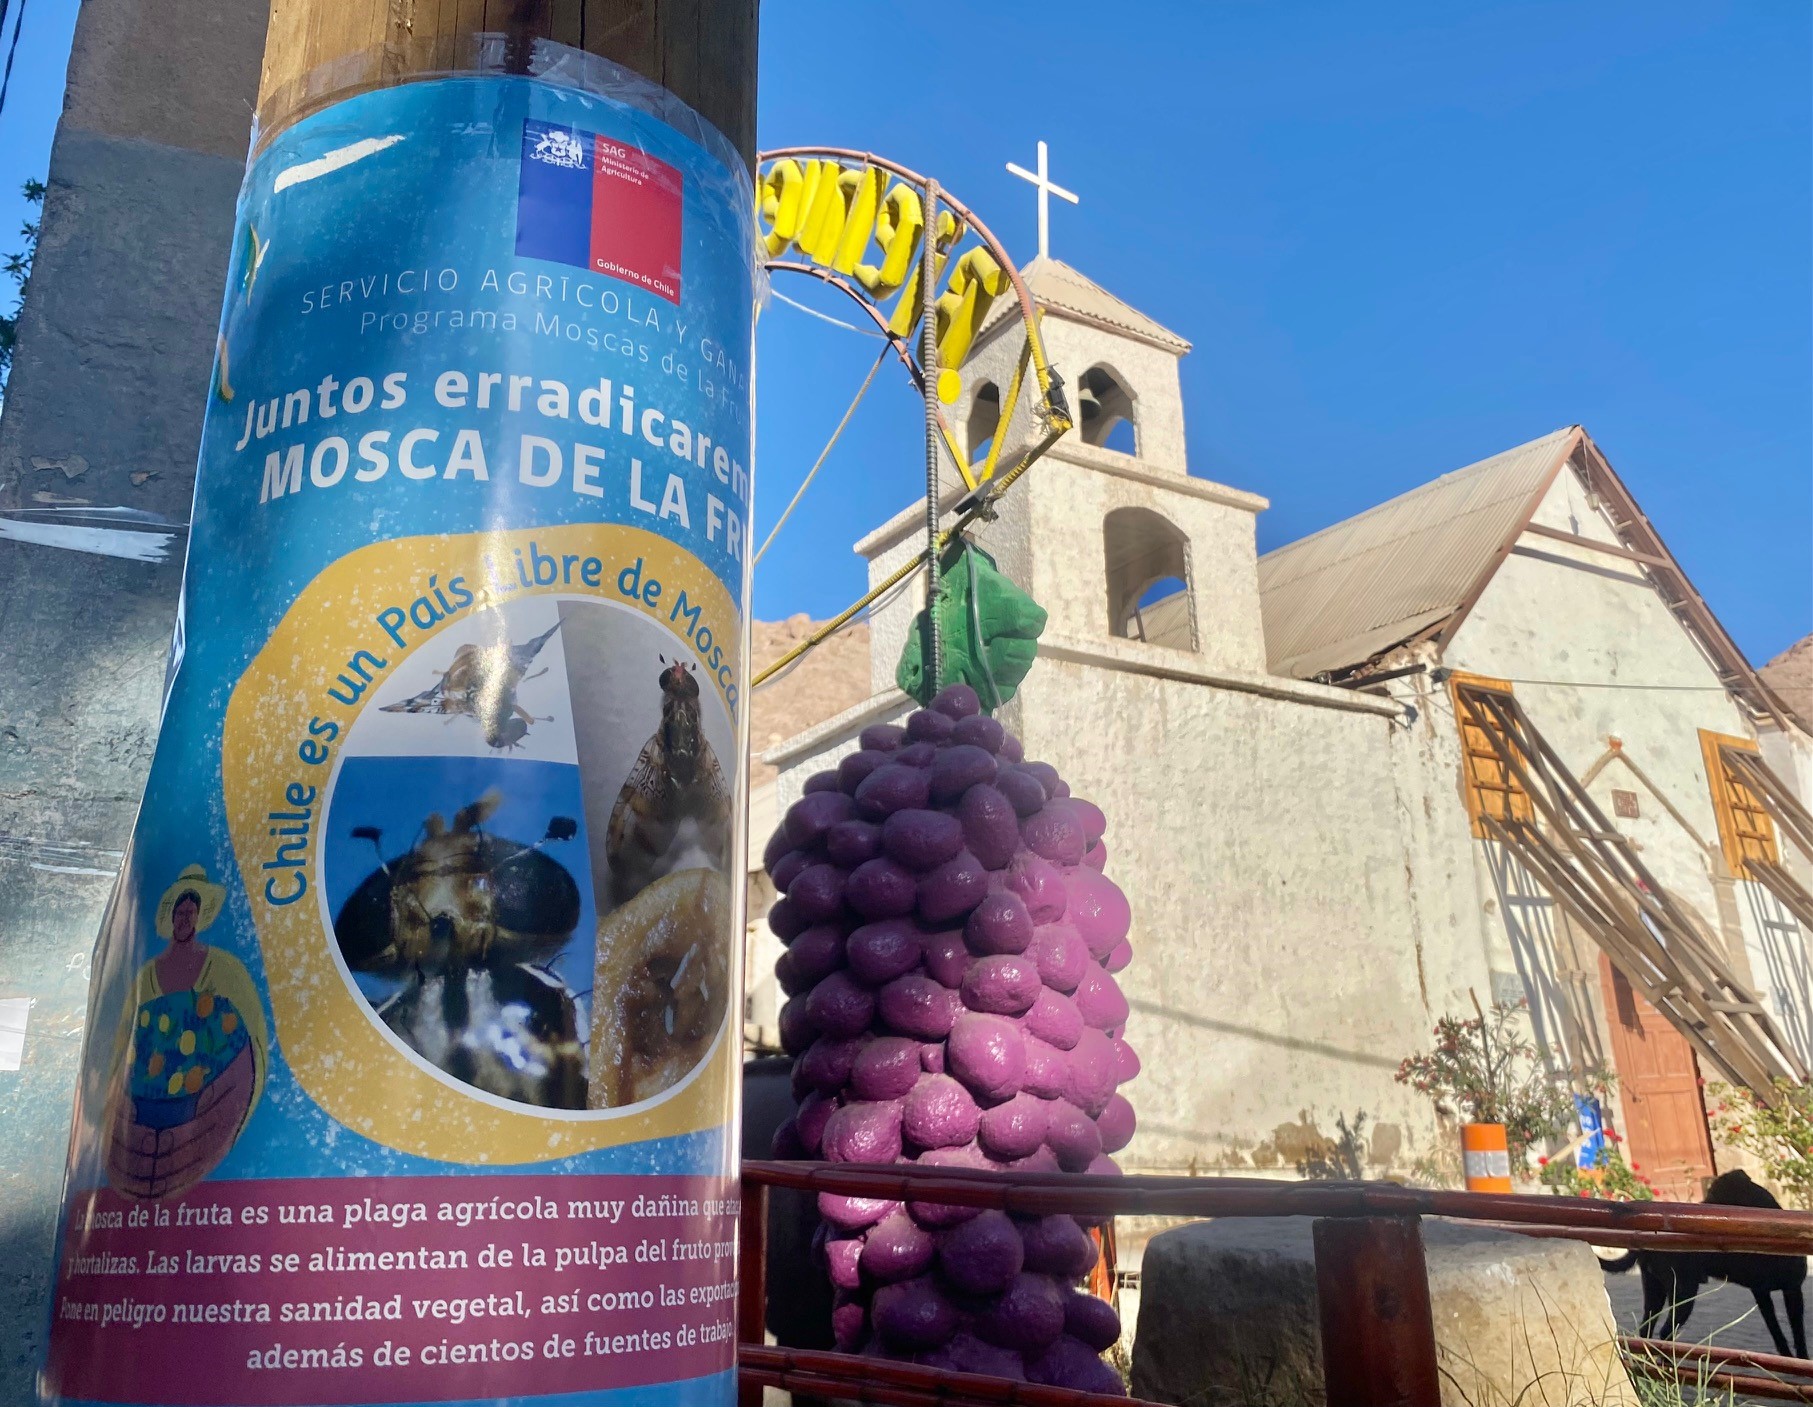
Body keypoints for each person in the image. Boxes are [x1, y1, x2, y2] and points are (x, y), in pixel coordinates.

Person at [107, 865, 268, 1200]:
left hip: (201, 1110)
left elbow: (251, 1044)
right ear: (171, 917)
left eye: (191, 913)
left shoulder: (226, 970)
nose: (185, 919)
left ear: (200, 917)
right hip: (142, 1111)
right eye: (180, 913)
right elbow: (121, 1051)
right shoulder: (145, 976)